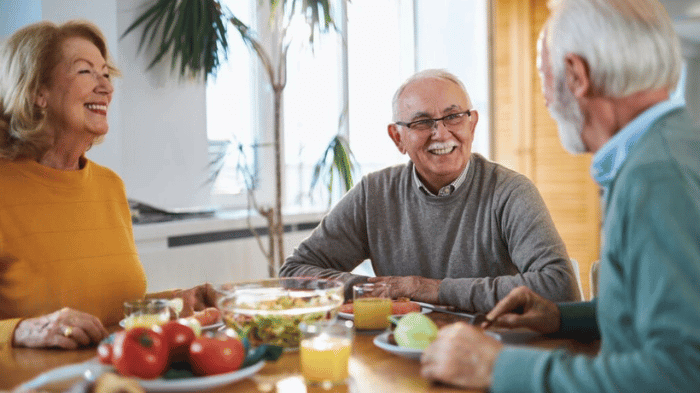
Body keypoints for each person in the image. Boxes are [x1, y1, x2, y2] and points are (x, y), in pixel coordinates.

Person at [420, 0, 700, 391]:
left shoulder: (656, 177)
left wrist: (499, 368)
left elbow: (680, 375)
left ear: (576, 75)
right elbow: (658, 312)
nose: (547, 100)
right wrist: (560, 317)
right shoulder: (668, 147)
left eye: (543, 77)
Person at [280, 69, 580, 312]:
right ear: (398, 138)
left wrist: (426, 288)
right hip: (395, 354)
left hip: (489, 352)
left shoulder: (510, 192)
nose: (441, 133)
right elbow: (294, 272)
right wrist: (377, 289)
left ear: (472, 124)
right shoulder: (374, 193)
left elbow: (560, 288)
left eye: (453, 117)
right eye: (423, 122)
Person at [0, 20, 216, 350]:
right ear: (37, 91)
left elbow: (109, 310)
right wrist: (23, 330)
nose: (106, 87)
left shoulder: (109, 186)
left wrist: (173, 304)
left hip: (116, 379)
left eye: (106, 73)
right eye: (85, 71)